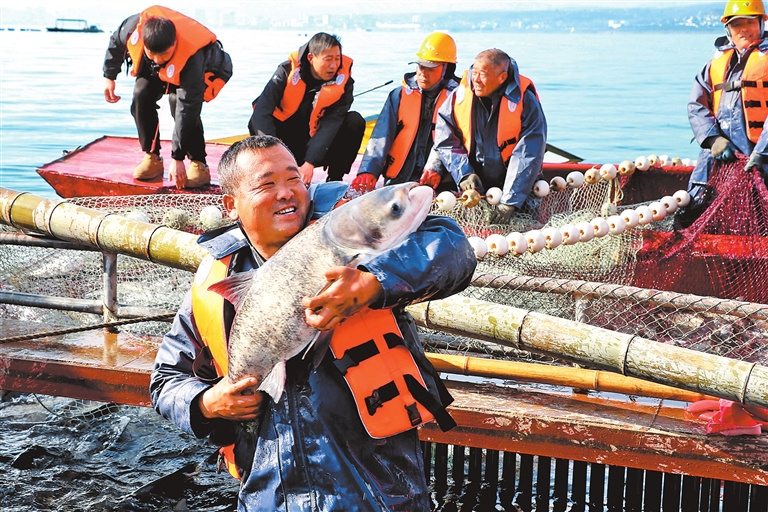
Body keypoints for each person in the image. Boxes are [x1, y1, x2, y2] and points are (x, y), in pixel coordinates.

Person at [149, 135, 477, 511]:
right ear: (231, 204)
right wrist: (207, 402)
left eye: (294, 180)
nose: (287, 193)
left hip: (380, 492)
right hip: (268, 496)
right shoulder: (215, 282)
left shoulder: (351, 235)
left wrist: (375, 282)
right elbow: (164, 382)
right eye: (267, 184)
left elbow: (452, 248)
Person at [102, 5, 232, 188]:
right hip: (159, 73)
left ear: (174, 44)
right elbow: (116, 43)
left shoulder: (192, 57)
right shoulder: (132, 29)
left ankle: (199, 164)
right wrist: (109, 76)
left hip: (201, 70)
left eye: (163, 54)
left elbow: (188, 109)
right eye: (151, 54)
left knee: (176, 102)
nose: (157, 60)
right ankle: (152, 157)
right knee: (141, 95)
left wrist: (177, 157)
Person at [425, 48, 547, 224]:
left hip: (520, 194)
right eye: (474, 72)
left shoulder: (526, 101)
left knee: (519, 241)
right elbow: (445, 141)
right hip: (476, 189)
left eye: (483, 74)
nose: (476, 79)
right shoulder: (459, 96)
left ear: (502, 78)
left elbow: (528, 153)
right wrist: (464, 174)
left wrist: (510, 202)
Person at [248, 33, 365, 187]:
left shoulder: (344, 82)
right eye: (328, 59)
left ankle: (335, 180)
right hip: (283, 143)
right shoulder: (286, 71)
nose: (334, 65)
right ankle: (274, 171)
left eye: (337, 59)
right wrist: (276, 155)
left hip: (317, 143)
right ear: (311, 58)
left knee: (354, 121)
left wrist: (310, 162)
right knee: (258, 123)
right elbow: (260, 114)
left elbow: (332, 123)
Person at [351, 32, 460, 194]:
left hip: (440, 181)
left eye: (431, 68)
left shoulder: (459, 99)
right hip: (399, 177)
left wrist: (439, 169)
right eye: (421, 66)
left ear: (447, 69)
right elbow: (381, 136)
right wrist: (368, 170)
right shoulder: (398, 95)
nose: (423, 73)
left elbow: (456, 143)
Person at [686, 0, 768, 209]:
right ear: (728, 29)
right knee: (696, 204)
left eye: (749, 22)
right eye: (737, 24)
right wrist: (713, 139)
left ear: (761, 23)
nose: (743, 29)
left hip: (763, 157)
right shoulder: (715, 64)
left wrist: (763, 152)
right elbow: (696, 104)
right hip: (720, 156)